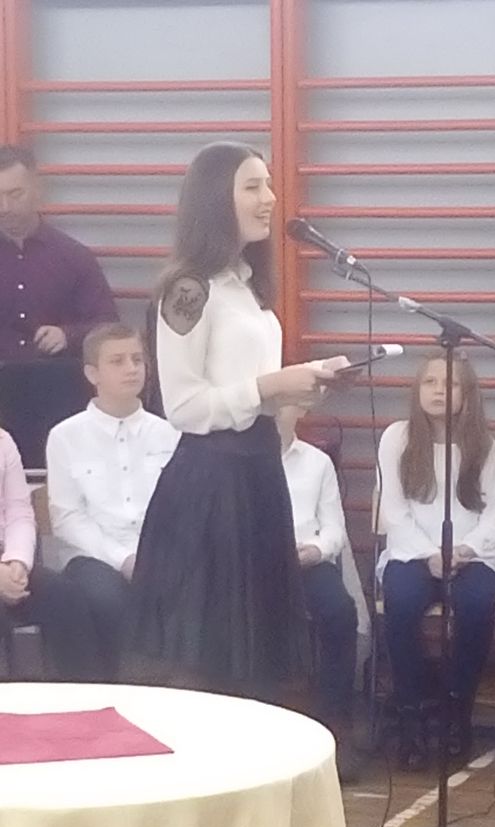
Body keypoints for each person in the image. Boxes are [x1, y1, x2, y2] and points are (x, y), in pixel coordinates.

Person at [125, 141, 353, 697]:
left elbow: (248, 389)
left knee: (258, 658)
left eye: (268, 184)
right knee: (205, 658)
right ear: (215, 199)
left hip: (257, 475)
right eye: (252, 186)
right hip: (210, 487)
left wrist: (304, 385)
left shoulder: (247, 286)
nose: (269, 197)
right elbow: (183, 406)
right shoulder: (189, 289)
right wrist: (270, 386)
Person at [377, 352, 495, 770]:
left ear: (467, 393)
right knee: (401, 602)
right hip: (413, 553)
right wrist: (429, 553)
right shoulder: (396, 438)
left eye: (449, 384)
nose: (438, 391)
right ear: (417, 389)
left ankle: (456, 710)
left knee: (477, 603)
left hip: (470, 555)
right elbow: (394, 511)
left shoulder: (482, 445)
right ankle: (411, 713)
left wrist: (465, 550)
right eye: (430, 382)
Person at [46, 323, 180, 680]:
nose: (131, 369)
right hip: (93, 556)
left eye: (137, 359)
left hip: (160, 553)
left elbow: (181, 510)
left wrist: (156, 557)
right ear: (92, 373)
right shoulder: (65, 437)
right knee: (108, 599)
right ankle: (112, 690)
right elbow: (68, 519)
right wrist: (123, 559)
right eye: (117, 361)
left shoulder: (170, 433)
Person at [0, 143, 118, 466]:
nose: (4, 207)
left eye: (15, 194)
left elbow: (108, 326)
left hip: (56, 399)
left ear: (37, 190)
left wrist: (68, 335)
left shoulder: (73, 257)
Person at [277, 405, 360, 782]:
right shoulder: (240, 465)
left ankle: (334, 722)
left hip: (307, 560)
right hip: (256, 566)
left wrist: (316, 549)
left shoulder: (317, 462)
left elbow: (334, 528)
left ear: (299, 410)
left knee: (340, 611)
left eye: (284, 405)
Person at [0, 429, 101, 680]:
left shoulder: (4, 442)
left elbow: (19, 512)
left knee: (65, 598)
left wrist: (18, 561)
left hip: (7, 558)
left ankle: (85, 696)